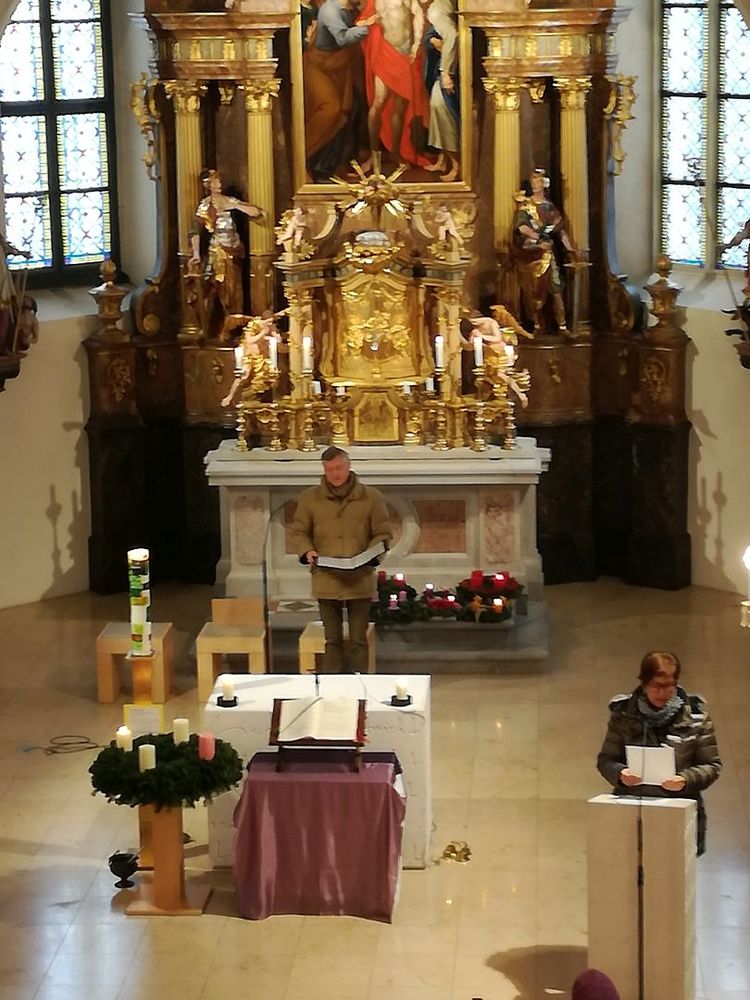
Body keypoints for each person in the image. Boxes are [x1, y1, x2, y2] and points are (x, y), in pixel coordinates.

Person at [597, 650, 722, 856]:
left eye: (669, 686)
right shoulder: (623, 715)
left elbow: (712, 765)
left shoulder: (697, 717)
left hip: (678, 810)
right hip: (633, 809)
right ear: (644, 683)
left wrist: (685, 779)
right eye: (656, 686)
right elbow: (606, 759)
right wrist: (620, 773)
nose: (663, 692)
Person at [290, 446, 392, 672]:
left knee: (358, 640)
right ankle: (331, 684)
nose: (335, 474)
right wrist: (307, 551)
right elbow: (298, 532)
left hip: (360, 576)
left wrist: (372, 555)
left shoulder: (371, 497)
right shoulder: (309, 498)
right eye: (329, 469)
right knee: (332, 639)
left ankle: (359, 682)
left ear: (348, 466)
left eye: (339, 468)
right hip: (326, 576)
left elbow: (383, 532)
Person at [303, 0, 377, 180]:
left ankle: (326, 165)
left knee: (342, 116)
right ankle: (300, 158)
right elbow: (342, 38)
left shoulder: (351, 9)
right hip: (320, 66)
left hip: (340, 67)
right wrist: (368, 26)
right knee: (330, 108)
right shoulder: (330, 10)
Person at [188, 168, 263, 332]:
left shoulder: (229, 200)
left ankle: (233, 326)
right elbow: (195, 230)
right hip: (218, 253)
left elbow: (257, 212)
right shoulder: (206, 205)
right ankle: (211, 327)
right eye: (215, 181)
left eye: (219, 180)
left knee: (235, 292)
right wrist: (195, 253)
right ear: (208, 185)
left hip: (234, 251)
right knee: (217, 290)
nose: (219, 183)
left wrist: (233, 205)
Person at [359, 0, 428, 167]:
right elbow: (361, 23)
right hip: (385, 53)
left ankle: (395, 153)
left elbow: (418, 14)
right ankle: (374, 155)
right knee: (379, 102)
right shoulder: (374, 1)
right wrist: (368, 22)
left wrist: (417, 43)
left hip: (403, 55)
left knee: (400, 106)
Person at [512, 168, 577, 336]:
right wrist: (536, 237)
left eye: (538, 182)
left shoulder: (549, 207)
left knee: (556, 289)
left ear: (544, 185)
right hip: (531, 255)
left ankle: (562, 326)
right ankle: (536, 325)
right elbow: (522, 227)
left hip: (548, 254)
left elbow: (560, 231)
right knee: (534, 293)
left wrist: (570, 249)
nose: (535, 185)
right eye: (533, 182)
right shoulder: (526, 207)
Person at [423, 0, 459, 182]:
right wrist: (430, 40)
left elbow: (452, 36)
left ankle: (456, 165)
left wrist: (446, 72)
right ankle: (443, 160)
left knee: (441, 108)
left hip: (445, 73)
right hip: (438, 70)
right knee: (436, 111)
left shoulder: (439, 7)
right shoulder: (436, 6)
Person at [0, 231, 31, 353]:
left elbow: (8, 247)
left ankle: (2, 344)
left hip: (2, 276)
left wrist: (21, 253)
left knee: (5, 310)